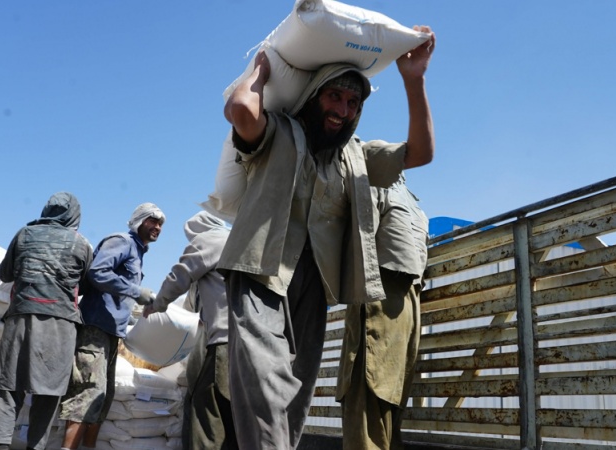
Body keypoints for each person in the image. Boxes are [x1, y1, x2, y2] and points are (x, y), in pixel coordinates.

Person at [219, 25, 436, 450]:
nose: (343, 108)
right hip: (260, 274)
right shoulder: (279, 131)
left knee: (296, 395)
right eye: (334, 96)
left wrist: (415, 80)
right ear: (314, 96)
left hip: (315, 283)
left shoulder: (357, 153)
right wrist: (260, 72)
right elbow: (242, 110)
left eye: (353, 102)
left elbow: (421, 152)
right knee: (266, 383)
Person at [0, 192, 93, 450]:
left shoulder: (24, 234)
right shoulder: (81, 243)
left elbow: (4, 273)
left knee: (8, 385)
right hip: (60, 325)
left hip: (20, 318)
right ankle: (36, 446)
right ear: (75, 215)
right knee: (48, 390)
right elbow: (86, 285)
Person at [59, 202, 165, 450]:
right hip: (94, 329)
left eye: (160, 224)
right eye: (152, 220)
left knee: (102, 397)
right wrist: (135, 291)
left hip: (111, 333)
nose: (157, 227)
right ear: (139, 220)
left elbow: (118, 293)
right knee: (87, 392)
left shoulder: (138, 253)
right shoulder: (121, 241)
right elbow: (98, 272)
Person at [336, 175, 430, 449]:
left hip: (377, 295)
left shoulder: (376, 186)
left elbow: (360, 242)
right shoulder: (417, 208)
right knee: (389, 396)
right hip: (410, 304)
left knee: (363, 396)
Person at [143, 210, 234, 449]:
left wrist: (156, 304)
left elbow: (179, 275)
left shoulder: (210, 239)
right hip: (253, 347)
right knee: (236, 421)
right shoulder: (240, 241)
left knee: (207, 418)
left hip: (224, 344)